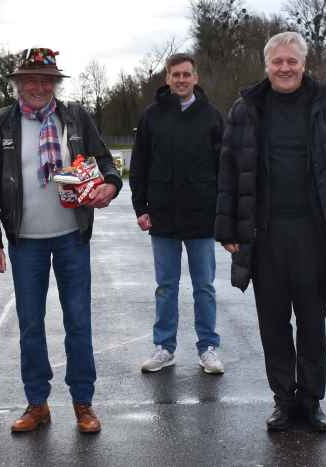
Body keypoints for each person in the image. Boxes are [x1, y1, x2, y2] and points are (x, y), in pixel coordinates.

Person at [215, 32, 326, 433]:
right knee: (274, 324)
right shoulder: (246, 109)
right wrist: (226, 227)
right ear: (267, 65)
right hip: (265, 236)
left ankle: (311, 400)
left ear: (304, 63)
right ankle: (284, 399)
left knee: (313, 325)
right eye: (277, 61)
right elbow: (229, 172)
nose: (285, 68)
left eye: (292, 61)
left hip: (314, 236)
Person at [0, 47, 121, 434]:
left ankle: (83, 404)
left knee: (78, 321)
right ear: (18, 84)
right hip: (25, 240)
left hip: (72, 236)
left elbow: (107, 165)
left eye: (46, 81)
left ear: (55, 84)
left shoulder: (75, 117)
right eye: (30, 80)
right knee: (30, 325)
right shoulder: (0, 124)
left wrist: (109, 186)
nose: (38, 87)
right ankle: (37, 403)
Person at [129, 53, 225, 375]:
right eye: (175, 75)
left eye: (187, 74)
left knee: (204, 287)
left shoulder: (212, 117)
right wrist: (140, 208)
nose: (181, 80)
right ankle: (164, 347)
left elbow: (224, 169)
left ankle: (208, 347)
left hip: (202, 218)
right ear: (167, 78)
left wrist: (223, 212)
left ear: (195, 77)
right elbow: (139, 166)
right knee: (166, 287)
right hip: (163, 217)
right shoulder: (152, 117)